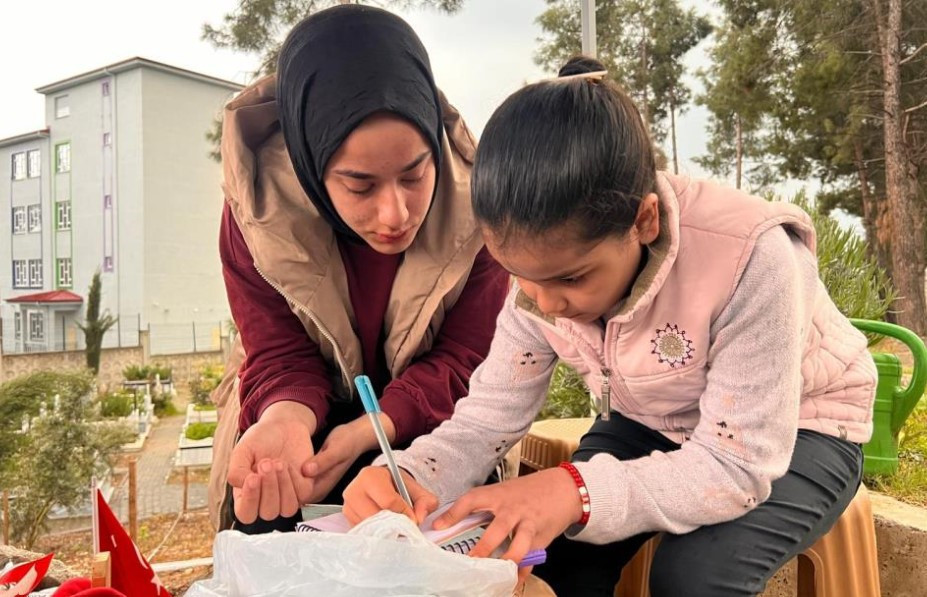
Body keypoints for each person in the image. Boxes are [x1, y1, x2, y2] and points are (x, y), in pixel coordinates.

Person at [343, 56, 877, 597]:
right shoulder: (539, 284)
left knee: (694, 576)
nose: (546, 304)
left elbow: (736, 465)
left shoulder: (751, 258)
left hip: (800, 429)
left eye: (571, 278)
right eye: (520, 276)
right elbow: (488, 418)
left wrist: (574, 490)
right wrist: (412, 474)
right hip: (654, 420)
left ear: (644, 221)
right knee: (540, 553)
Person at [206, 4, 510, 534]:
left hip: (434, 426)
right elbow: (278, 351)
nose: (395, 215)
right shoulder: (256, 213)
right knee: (271, 522)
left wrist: (370, 431)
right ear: (311, 166)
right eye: (360, 185)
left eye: (414, 175)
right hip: (303, 426)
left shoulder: (479, 206)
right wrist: (284, 417)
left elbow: (466, 359)